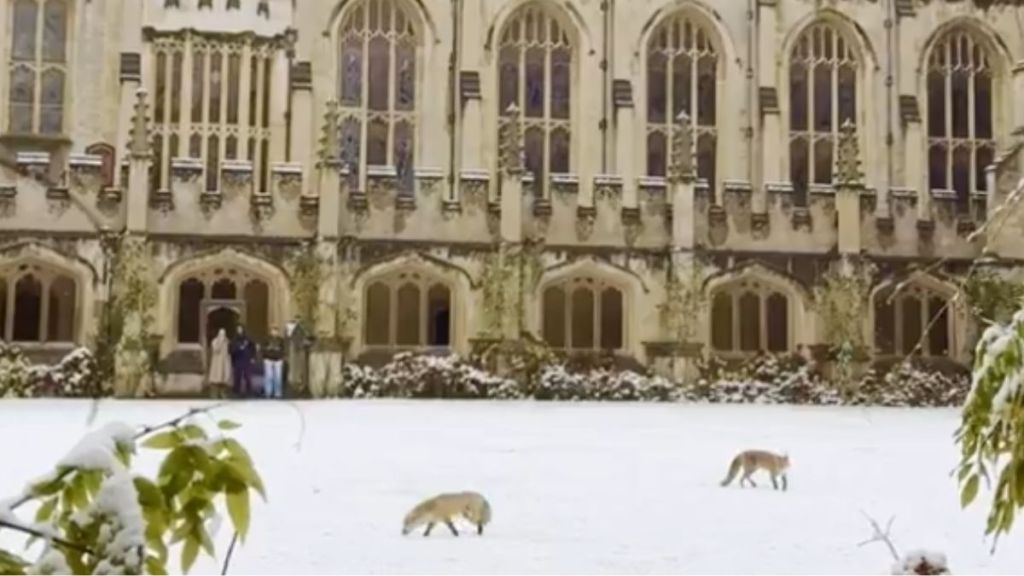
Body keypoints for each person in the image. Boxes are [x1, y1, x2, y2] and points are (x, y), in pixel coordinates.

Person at [229, 325, 255, 398]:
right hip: (237, 359)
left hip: (246, 359)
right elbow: (231, 350)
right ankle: (236, 390)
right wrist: (238, 348)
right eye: (238, 329)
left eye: (241, 329)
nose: (239, 330)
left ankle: (249, 390)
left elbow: (252, 348)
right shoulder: (234, 339)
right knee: (237, 376)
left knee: (247, 376)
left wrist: (252, 357)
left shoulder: (248, 339)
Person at [207, 328, 233, 399]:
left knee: (224, 379)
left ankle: (223, 394)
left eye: (224, 334)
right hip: (217, 363)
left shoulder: (227, 342)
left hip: (224, 362)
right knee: (216, 380)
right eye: (221, 334)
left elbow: (229, 351)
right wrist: (220, 342)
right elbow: (216, 349)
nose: (222, 335)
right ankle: (214, 395)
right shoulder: (215, 341)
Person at [262, 326, 286, 399]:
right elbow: (262, 348)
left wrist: (280, 354)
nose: (274, 332)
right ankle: (268, 392)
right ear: (271, 331)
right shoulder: (266, 339)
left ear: (278, 332)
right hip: (268, 359)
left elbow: (283, 349)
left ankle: (277, 393)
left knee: (278, 377)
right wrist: (268, 348)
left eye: (276, 331)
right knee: (269, 377)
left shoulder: (281, 340)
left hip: (278, 360)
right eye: (273, 330)